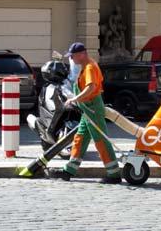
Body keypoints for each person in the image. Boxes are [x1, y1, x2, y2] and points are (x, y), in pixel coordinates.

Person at [52, 42, 121, 184]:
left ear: (82, 54)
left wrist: (75, 99)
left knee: (101, 140)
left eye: (72, 56)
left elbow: (91, 88)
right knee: (80, 139)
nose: (71, 59)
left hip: (93, 108)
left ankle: (114, 174)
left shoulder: (89, 67)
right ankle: (68, 171)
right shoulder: (86, 66)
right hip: (88, 109)